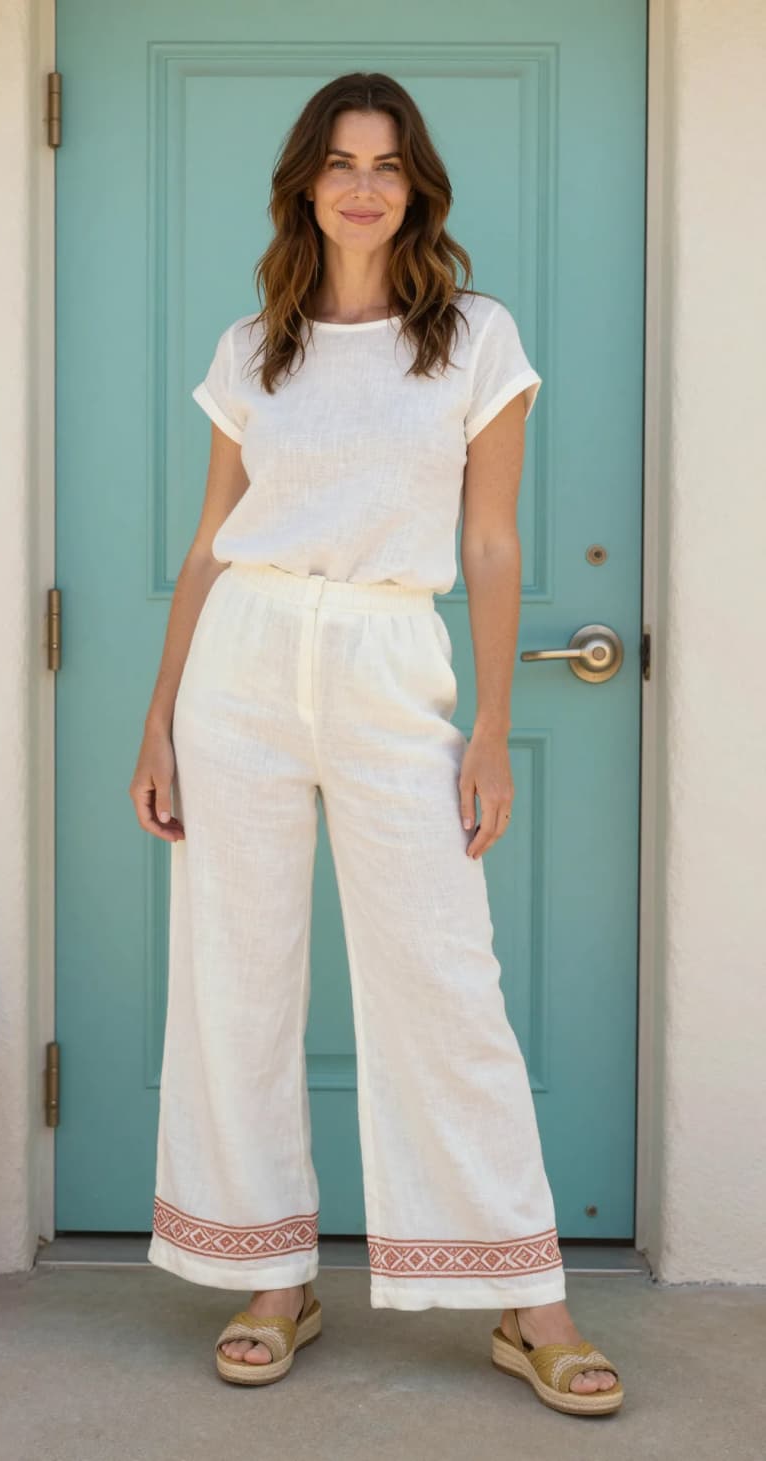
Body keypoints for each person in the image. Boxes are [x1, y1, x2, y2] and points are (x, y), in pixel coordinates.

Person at [129, 72, 623, 1416]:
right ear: (305, 182)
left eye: (388, 165)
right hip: (240, 664)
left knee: (444, 979)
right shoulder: (255, 346)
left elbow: (489, 538)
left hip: (392, 660)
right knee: (235, 968)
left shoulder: (473, 338)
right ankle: (275, 1272)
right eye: (340, 161)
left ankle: (533, 1303)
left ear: (417, 186)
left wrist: (494, 734)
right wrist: (162, 711)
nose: (362, 184)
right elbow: (207, 541)